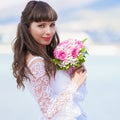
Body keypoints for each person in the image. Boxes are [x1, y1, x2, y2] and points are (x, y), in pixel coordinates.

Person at [12, 1, 87, 120]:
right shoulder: (36, 63)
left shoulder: (44, 56)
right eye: (41, 25)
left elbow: (70, 97)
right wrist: (74, 84)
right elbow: (48, 111)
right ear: (27, 28)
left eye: (52, 24)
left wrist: (74, 73)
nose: (49, 31)